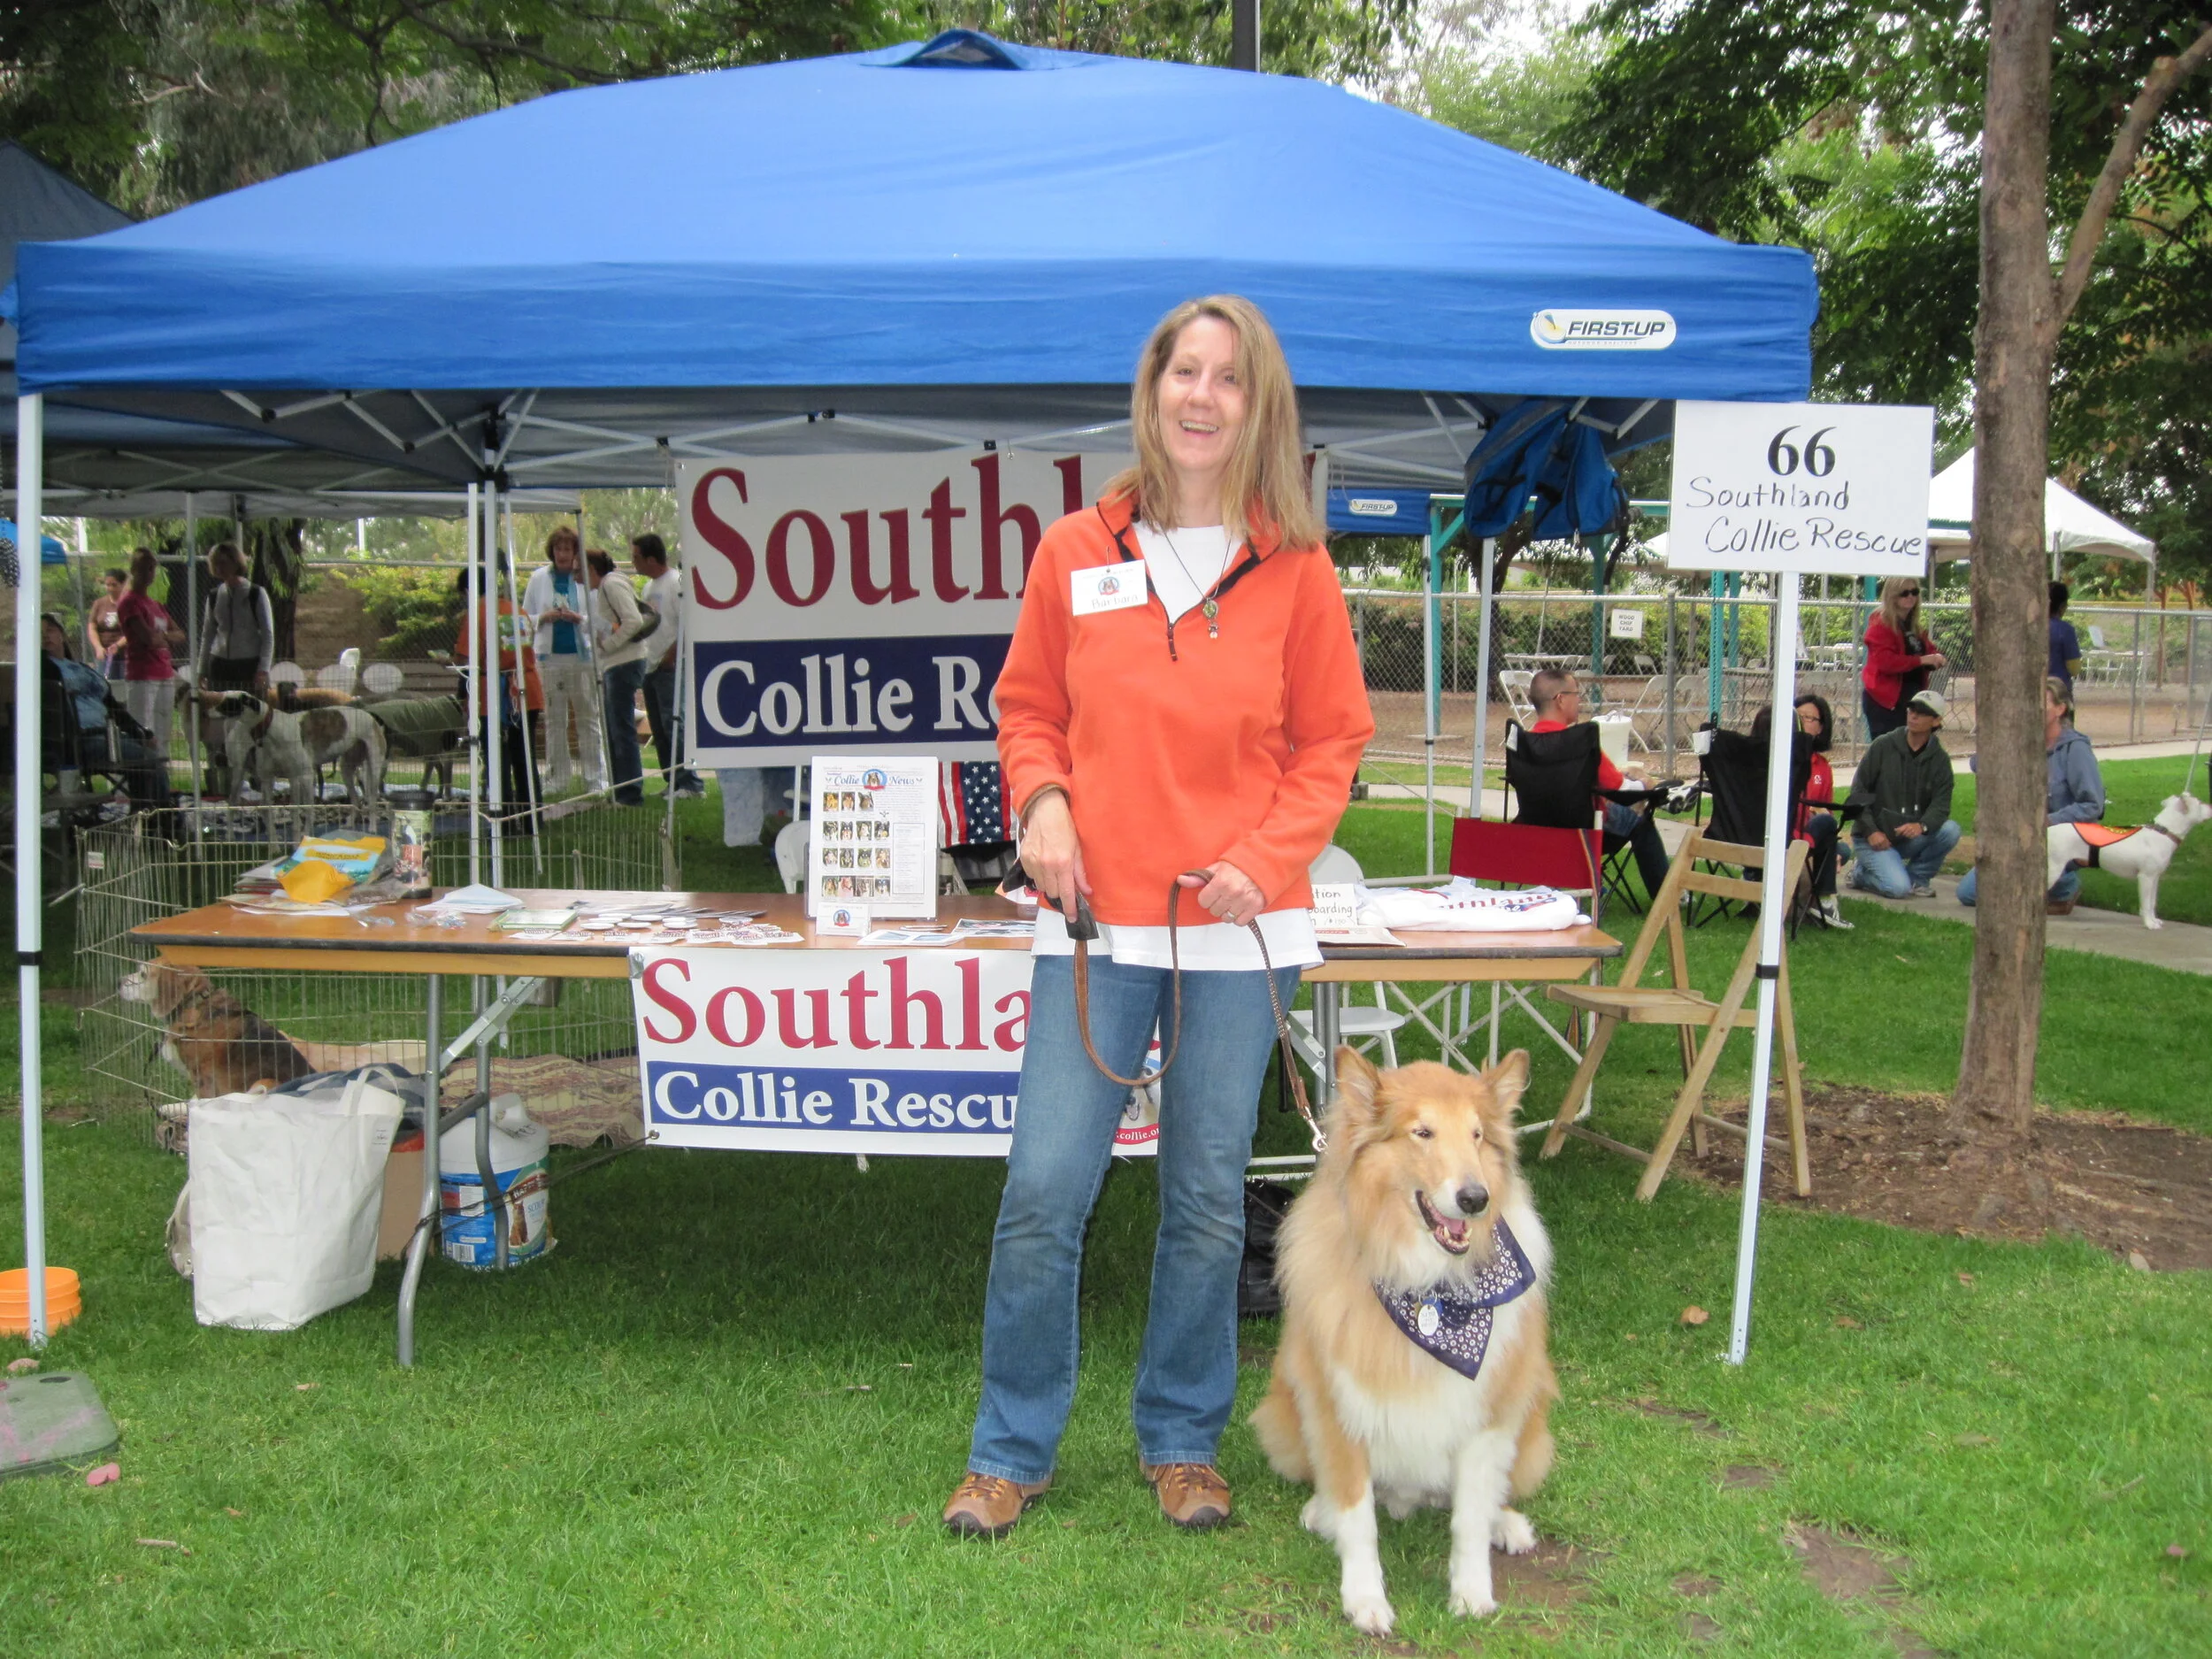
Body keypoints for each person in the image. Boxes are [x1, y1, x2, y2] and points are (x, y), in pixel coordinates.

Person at [943, 296, 1372, 1540]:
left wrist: (1266, 854)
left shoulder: (1295, 566)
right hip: (1096, 927)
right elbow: (1027, 708)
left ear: (1258, 405)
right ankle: (1009, 1447)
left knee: (1203, 1198)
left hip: (1239, 932)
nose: (1200, 394)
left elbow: (1335, 739)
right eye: (1183, 370)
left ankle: (1182, 1437)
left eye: (1228, 378)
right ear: (1152, 389)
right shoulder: (1076, 547)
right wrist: (1044, 802)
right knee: (1044, 1189)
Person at [1957, 676, 2103, 914]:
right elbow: (1978, 764)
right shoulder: (2020, 741)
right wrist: (2003, 735)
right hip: (2015, 836)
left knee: (2010, 895)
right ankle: (2031, 883)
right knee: (1969, 894)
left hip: (2057, 838)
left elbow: (2092, 804)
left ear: (2060, 708)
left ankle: (2065, 884)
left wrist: (2048, 821)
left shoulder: (2075, 749)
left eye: (2041, 701)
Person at [1526, 667, 1670, 899]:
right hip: (1587, 830)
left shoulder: (1525, 743)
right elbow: (1620, 789)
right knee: (1641, 818)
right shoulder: (1579, 742)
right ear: (1561, 700)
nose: (1579, 699)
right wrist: (1645, 783)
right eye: (1576, 693)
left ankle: (1587, 880)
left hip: (1539, 829)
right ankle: (1667, 895)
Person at [451, 565, 544, 831]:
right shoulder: (517, 609)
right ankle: (532, 822)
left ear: (469, 590)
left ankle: (502, 822)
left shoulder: (476, 614)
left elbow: (465, 660)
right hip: (526, 690)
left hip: (493, 694)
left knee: (497, 760)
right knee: (524, 759)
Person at [1844, 688, 1962, 898]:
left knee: (1950, 830)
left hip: (1907, 838)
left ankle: (1917, 878)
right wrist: (1871, 831)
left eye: (1922, 712)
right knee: (1897, 889)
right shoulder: (1883, 746)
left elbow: (1941, 806)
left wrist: (1922, 825)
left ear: (1936, 721)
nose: (1914, 715)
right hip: (1873, 838)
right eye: (1911, 709)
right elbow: (1858, 792)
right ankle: (1860, 873)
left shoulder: (1940, 760)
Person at [1749, 695, 1850, 930]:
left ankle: (1813, 896)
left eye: (1810, 718)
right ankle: (1824, 900)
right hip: (1784, 837)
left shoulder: (1822, 766)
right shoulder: (1778, 760)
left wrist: (1820, 817)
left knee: (1840, 846)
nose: (1803, 722)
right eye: (1799, 716)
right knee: (1827, 836)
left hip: (1807, 832)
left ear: (1821, 728)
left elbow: (1826, 809)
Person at [42, 612, 160, 806]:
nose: (46, 636)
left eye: (50, 630)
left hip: (108, 737)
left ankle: (146, 817)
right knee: (147, 760)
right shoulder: (43, 669)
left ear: (62, 635)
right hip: (78, 742)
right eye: (40, 633)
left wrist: (142, 732)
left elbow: (113, 707)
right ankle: (155, 820)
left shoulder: (83, 669)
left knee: (150, 758)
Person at [522, 526, 604, 794]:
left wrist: (578, 619)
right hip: (549, 659)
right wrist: (543, 618)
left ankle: (595, 779)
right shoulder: (538, 578)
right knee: (555, 721)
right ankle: (557, 778)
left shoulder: (586, 578)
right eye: (558, 548)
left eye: (568, 548)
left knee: (588, 718)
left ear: (575, 552)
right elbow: (524, 619)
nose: (563, 554)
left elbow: (601, 621)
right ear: (552, 551)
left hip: (582, 659)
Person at [629, 533, 703, 799]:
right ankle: (672, 781)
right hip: (651, 665)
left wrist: (672, 655)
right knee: (659, 727)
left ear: (651, 558)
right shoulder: (649, 588)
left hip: (671, 666)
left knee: (675, 724)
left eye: (636, 557)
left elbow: (687, 623)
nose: (633, 562)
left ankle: (691, 783)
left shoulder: (675, 583)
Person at [585, 548, 650, 806]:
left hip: (624, 662)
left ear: (592, 568)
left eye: (580, 570)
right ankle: (619, 790)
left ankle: (629, 792)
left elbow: (633, 621)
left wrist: (609, 645)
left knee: (621, 729)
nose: (577, 575)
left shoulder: (611, 583)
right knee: (614, 729)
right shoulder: (606, 586)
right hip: (615, 664)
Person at [114, 546, 183, 772]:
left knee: (163, 730)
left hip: (164, 672)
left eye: (152, 568)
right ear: (134, 570)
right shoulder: (129, 602)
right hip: (143, 675)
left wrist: (162, 636)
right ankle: (143, 779)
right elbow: (146, 638)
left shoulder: (156, 605)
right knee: (144, 730)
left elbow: (180, 634)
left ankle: (161, 780)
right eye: (144, 568)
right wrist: (163, 639)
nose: (149, 573)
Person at [1861, 574, 1944, 739]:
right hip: (1886, 702)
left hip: (1912, 699)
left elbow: (1928, 650)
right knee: (1890, 754)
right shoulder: (1880, 625)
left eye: (1914, 592)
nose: (1910, 597)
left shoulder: (1913, 626)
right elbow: (1885, 662)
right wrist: (1921, 661)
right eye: (1904, 593)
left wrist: (1936, 658)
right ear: (1892, 595)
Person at [197, 541, 275, 694]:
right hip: (219, 665)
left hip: (248, 665)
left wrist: (263, 669)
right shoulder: (214, 596)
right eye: (216, 564)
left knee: (251, 713)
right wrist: (202, 669)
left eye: (224, 563)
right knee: (219, 713)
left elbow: (268, 635)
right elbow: (208, 635)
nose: (220, 568)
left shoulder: (256, 593)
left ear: (235, 562)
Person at [2047, 580, 2083, 701]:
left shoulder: (2031, 628)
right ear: (2063, 606)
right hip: (2059, 692)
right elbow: (2074, 668)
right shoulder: (2066, 630)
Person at [87, 567, 127, 672]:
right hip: (104, 655)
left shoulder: (129, 604)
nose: (110, 588)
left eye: (114, 585)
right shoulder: (99, 603)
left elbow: (133, 631)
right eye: (107, 585)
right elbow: (92, 627)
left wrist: (117, 645)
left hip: (125, 656)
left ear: (122, 584)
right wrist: (98, 647)